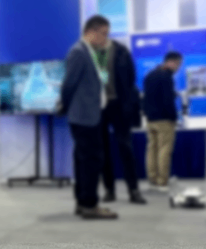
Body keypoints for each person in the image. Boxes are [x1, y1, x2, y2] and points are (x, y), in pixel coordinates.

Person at [60, 15, 118, 219]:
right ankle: (89, 205)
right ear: (90, 32)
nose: (106, 38)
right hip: (83, 116)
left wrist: (102, 54)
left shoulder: (92, 52)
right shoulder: (78, 52)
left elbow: (102, 80)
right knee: (92, 161)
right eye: (103, 34)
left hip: (92, 114)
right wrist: (65, 106)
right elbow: (68, 84)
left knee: (84, 160)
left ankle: (82, 202)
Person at [100, 35, 145, 204]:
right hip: (99, 106)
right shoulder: (92, 52)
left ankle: (134, 190)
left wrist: (127, 102)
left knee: (126, 148)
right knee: (103, 150)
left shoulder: (121, 51)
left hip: (119, 105)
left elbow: (130, 78)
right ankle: (109, 190)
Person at [142, 51, 183, 188]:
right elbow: (167, 101)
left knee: (151, 149)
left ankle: (152, 177)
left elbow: (146, 98)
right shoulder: (166, 77)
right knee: (164, 149)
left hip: (150, 119)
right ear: (171, 62)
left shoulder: (150, 75)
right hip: (164, 119)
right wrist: (174, 117)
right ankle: (162, 180)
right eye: (178, 64)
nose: (178, 68)